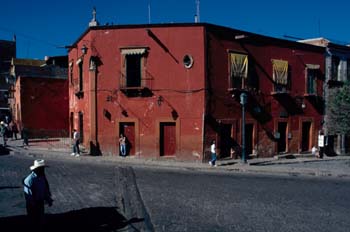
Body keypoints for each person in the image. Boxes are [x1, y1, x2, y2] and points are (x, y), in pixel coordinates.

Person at [23, 159, 53, 231]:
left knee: (41, 221)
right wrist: (34, 205)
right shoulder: (29, 180)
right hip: (33, 204)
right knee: (33, 221)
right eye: (41, 168)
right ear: (37, 169)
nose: (43, 170)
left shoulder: (42, 177)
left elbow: (45, 189)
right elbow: (28, 195)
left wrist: (48, 199)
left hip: (40, 202)